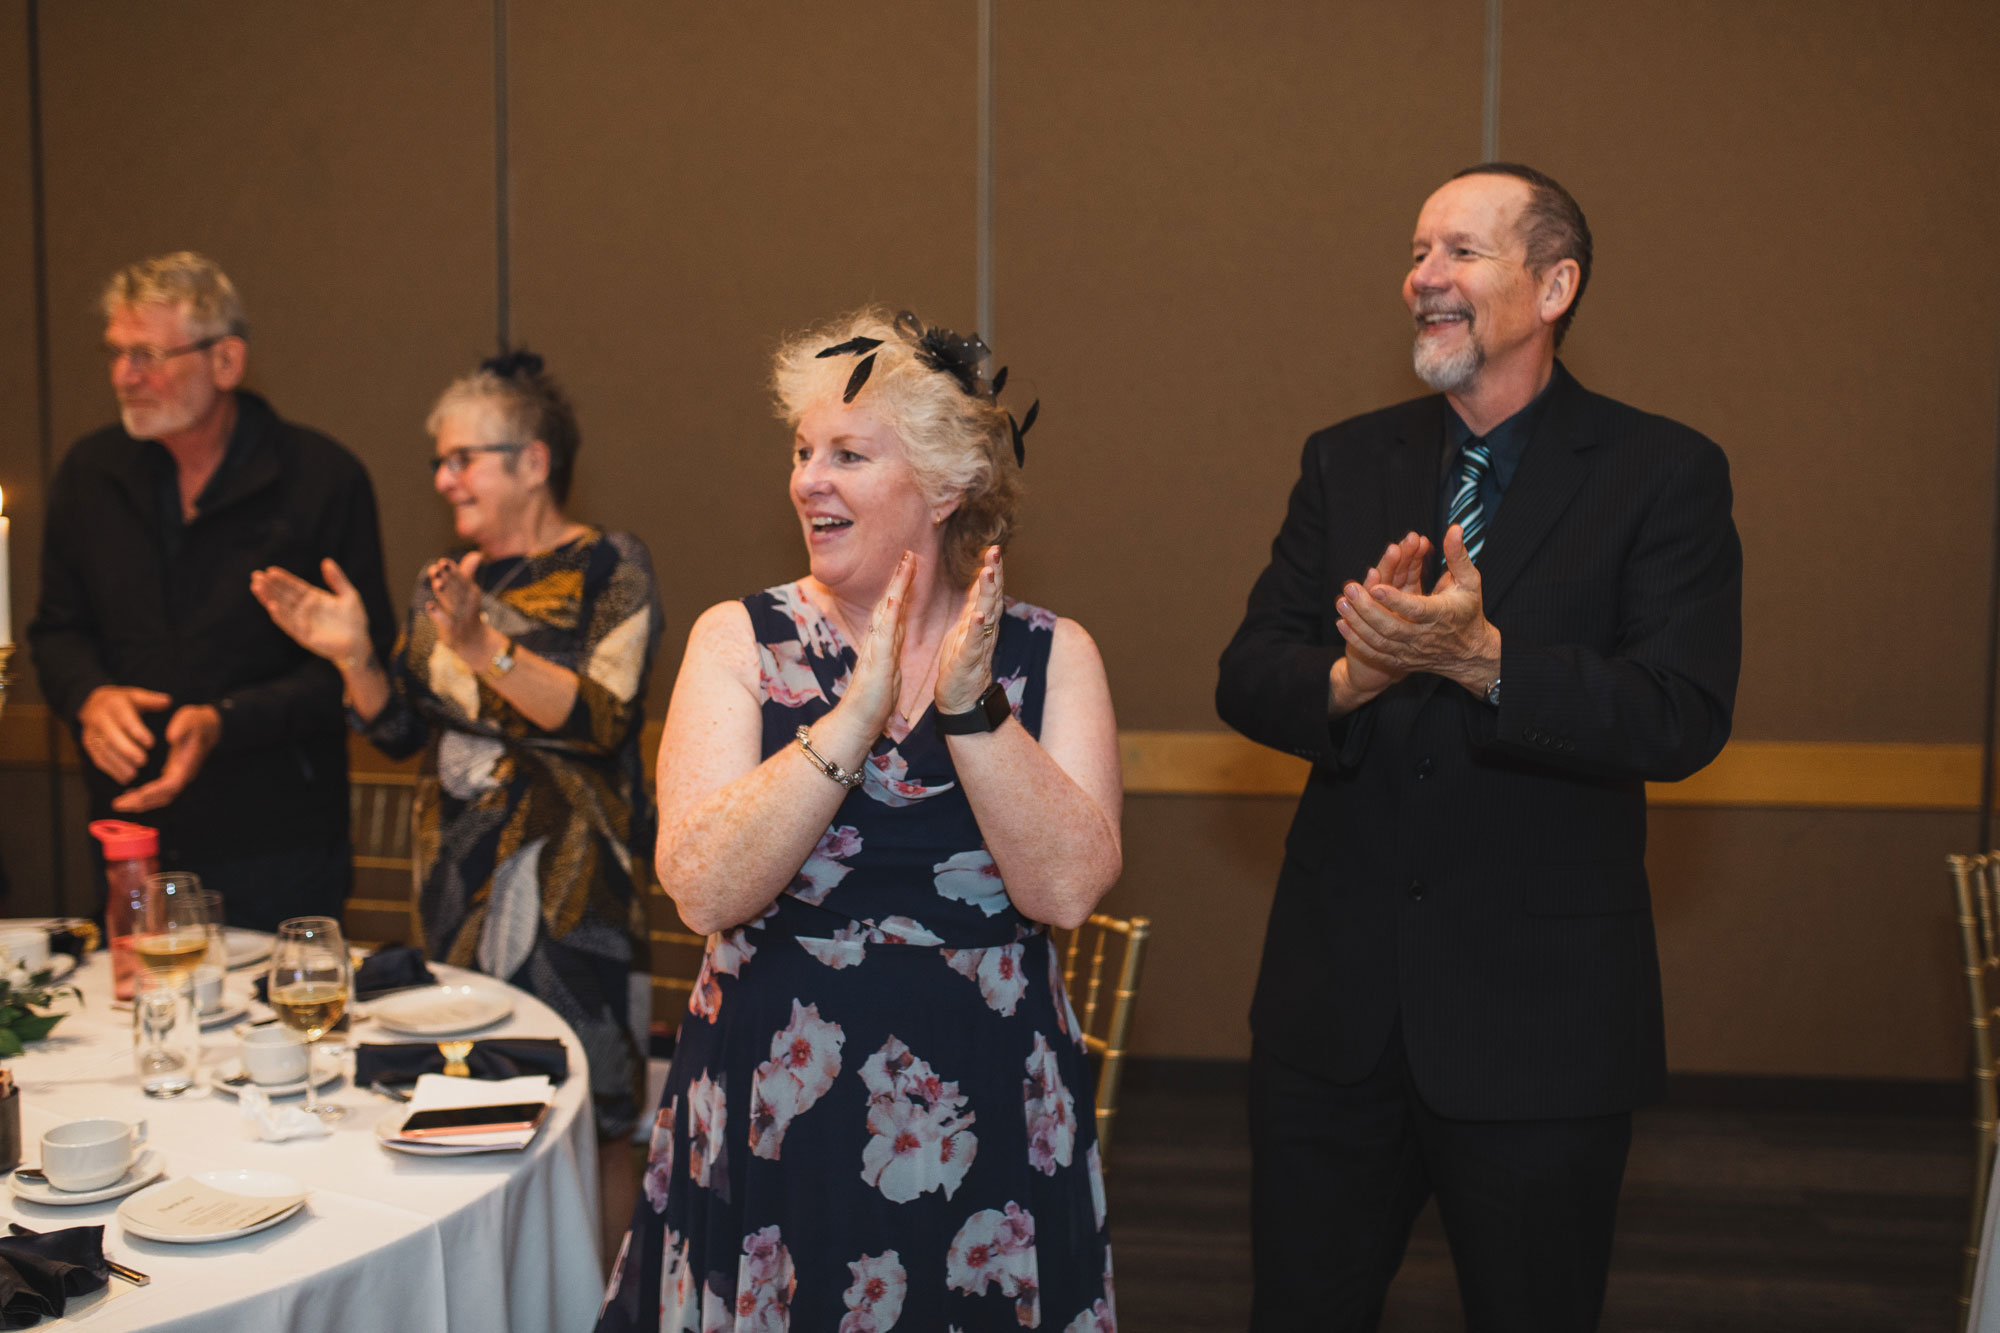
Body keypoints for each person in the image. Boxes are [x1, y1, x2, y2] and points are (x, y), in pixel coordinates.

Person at [1216, 164, 1743, 1331]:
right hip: (1331, 1015)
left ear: (1553, 285)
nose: (1423, 280)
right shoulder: (1342, 460)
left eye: (1460, 252)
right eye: (1415, 253)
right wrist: (1358, 671)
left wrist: (1484, 662)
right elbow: (1248, 674)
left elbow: (1677, 714)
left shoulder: (1661, 473)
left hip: (1536, 1027)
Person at [597, 309, 1122, 1331]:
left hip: (988, 1112)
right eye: (802, 452)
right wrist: (853, 713)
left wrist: (971, 713)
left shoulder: (1054, 656)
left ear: (942, 486)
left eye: (847, 454)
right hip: (772, 1113)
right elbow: (703, 886)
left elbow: (1061, 888)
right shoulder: (735, 640)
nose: (807, 480)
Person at [249, 349, 660, 1244]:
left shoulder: (609, 564)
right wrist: (354, 656)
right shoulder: (445, 581)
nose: (443, 478)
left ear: (534, 459)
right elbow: (401, 733)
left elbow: (603, 718)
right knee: (469, 1123)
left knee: (597, 1121)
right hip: (455, 899)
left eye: (462, 457)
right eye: (439, 461)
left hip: (573, 900)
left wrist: (483, 647)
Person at [28, 251, 395, 930]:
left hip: (277, 845)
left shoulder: (320, 478)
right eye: (115, 353)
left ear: (225, 362)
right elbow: (55, 631)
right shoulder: (90, 474)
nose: (122, 375)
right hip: (131, 833)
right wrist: (89, 694)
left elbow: (356, 674)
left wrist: (223, 719)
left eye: (146, 355)